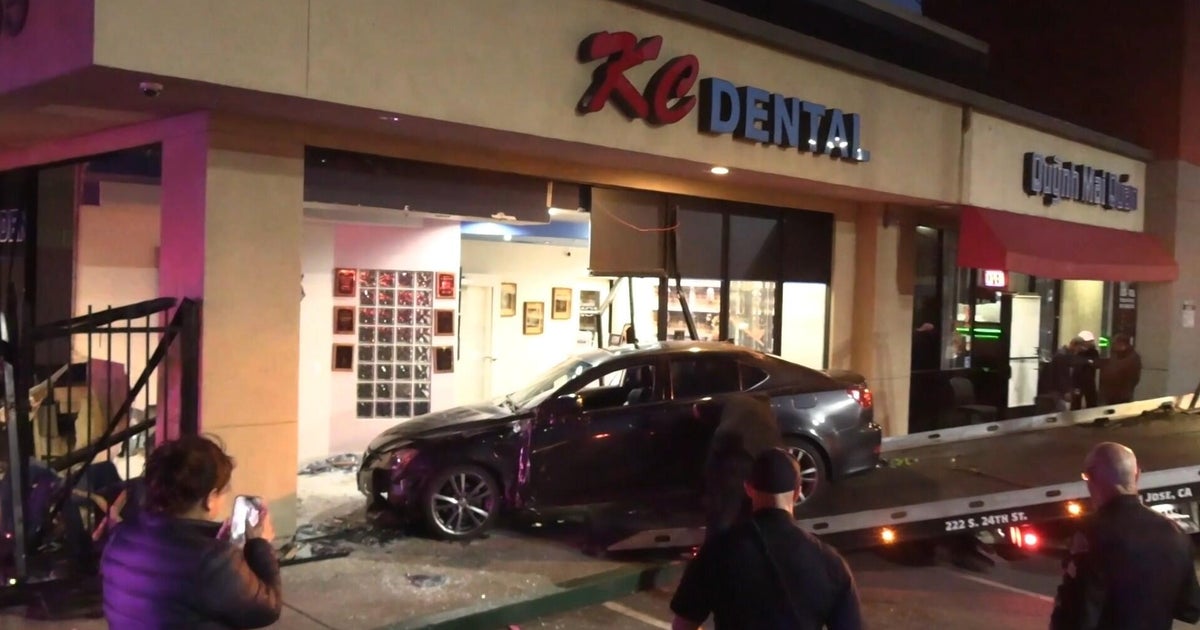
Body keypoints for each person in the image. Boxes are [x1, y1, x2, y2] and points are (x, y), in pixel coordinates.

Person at [100, 435, 282, 629]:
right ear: (210, 498)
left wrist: (213, 543)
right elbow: (266, 610)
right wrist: (260, 545)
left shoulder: (120, 537)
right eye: (222, 492)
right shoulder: (214, 560)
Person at [672, 448, 862, 630]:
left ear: (748, 488)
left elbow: (683, 625)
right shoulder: (830, 563)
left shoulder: (717, 552)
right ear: (797, 492)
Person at [1050, 442, 1200, 629]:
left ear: (1092, 478)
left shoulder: (1090, 533)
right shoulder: (1174, 532)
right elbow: (1190, 608)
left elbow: (1078, 615)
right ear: (1137, 475)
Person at [702, 393, 783, 541]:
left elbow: (716, 454)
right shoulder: (766, 411)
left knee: (725, 511)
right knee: (749, 507)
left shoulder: (730, 405)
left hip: (736, 459)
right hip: (760, 461)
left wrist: (711, 487)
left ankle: (716, 549)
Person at [1099, 333, 1142, 405]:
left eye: (1115, 343)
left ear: (1122, 344)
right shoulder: (1115, 354)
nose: (1113, 346)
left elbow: (1132, 376)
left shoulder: (1132, 357)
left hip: (1122, 393)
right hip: (1110, 392)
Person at [1047, 337, 1083, 412]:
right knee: (1061, 412)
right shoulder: (1062, 356)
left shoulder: (1065, 355)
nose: (1078, 351)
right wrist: (1066, 391)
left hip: (1058, 389)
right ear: (1074, 345)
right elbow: (1062, 375)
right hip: (1057, 390)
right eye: (1078, 348)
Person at [1073, 331, 1100, 410]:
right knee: (1075, 403)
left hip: (1089, 381)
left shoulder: (1094, 352)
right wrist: (1088, 361)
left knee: (1092, 402)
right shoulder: (1077, 351)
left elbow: (1096, 364)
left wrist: (1088, 362)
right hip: (1077, 381)